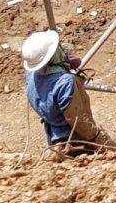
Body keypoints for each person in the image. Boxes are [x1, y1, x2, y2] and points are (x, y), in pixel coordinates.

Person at [22, 28, 101, 156]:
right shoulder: (65, 83)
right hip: (74, 139)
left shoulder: (31, 74)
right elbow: (77, 119)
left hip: (53, 135)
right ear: (52, 57)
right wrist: (94, 135)